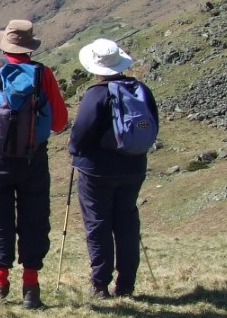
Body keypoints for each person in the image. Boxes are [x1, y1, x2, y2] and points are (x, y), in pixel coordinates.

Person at [0, 19, 68, 309]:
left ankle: (0, 281)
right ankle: (31, 286)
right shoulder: (42, 74)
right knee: (34, 216)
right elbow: (59, 121)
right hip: (33, 158)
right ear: (29, 46)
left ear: (5, 43)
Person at [68, 38, 159, 299]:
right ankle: (127, 285)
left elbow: (80, 134)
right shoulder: (140, 90)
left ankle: (100, 285)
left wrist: (74, 151)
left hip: (96, 171)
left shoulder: (96, 94)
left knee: (98, 224)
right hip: (133, 168)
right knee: (127, 223)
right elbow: (152, 126)